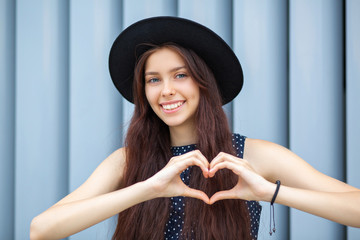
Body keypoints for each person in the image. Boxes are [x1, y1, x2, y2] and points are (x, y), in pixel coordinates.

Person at [30, 16, 360, 240]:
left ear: (204, 83)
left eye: (180, 75)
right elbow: (41, 229)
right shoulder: (126, 161)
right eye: (153, 80)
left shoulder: (252, 156)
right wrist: (148, 188)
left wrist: (270, 192)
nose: (166, 90)